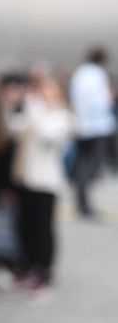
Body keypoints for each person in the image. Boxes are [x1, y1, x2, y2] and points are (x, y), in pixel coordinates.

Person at [4, 74, 73, 297]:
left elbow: (47, 136)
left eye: (49, 91)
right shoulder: (35, 112)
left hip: (46, 183)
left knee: (43, 229)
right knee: (26, 227)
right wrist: (15, 105)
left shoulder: (62, 116)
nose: (44, 96)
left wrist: (34, 108)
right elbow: (13, 129)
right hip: (25, 179)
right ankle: (27, 267)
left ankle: (45, 273)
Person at [68, 48, 116, 217]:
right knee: (89, 165)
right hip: (97, 126)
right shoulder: (98, 75)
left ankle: (82, 201)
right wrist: (109, 99)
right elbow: (100, 102)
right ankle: (84, 203)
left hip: (82, 125)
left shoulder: (80, 73)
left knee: (83, 162)